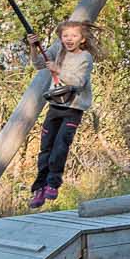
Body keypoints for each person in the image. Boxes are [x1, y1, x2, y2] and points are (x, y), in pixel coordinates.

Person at [28, 19, 96, 206]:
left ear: (82, 39)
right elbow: (38, 63)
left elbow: (78, 81)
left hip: (73, 108)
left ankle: (53, 183)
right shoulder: (58, 49)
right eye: (65, 35)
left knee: (60, 147)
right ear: (60, 37)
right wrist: (33, 47)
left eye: (74, 36)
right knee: (45, 148)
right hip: (56, 105)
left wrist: (58, 70)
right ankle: (39, 188)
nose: (69, 39)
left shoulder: (85, 57)